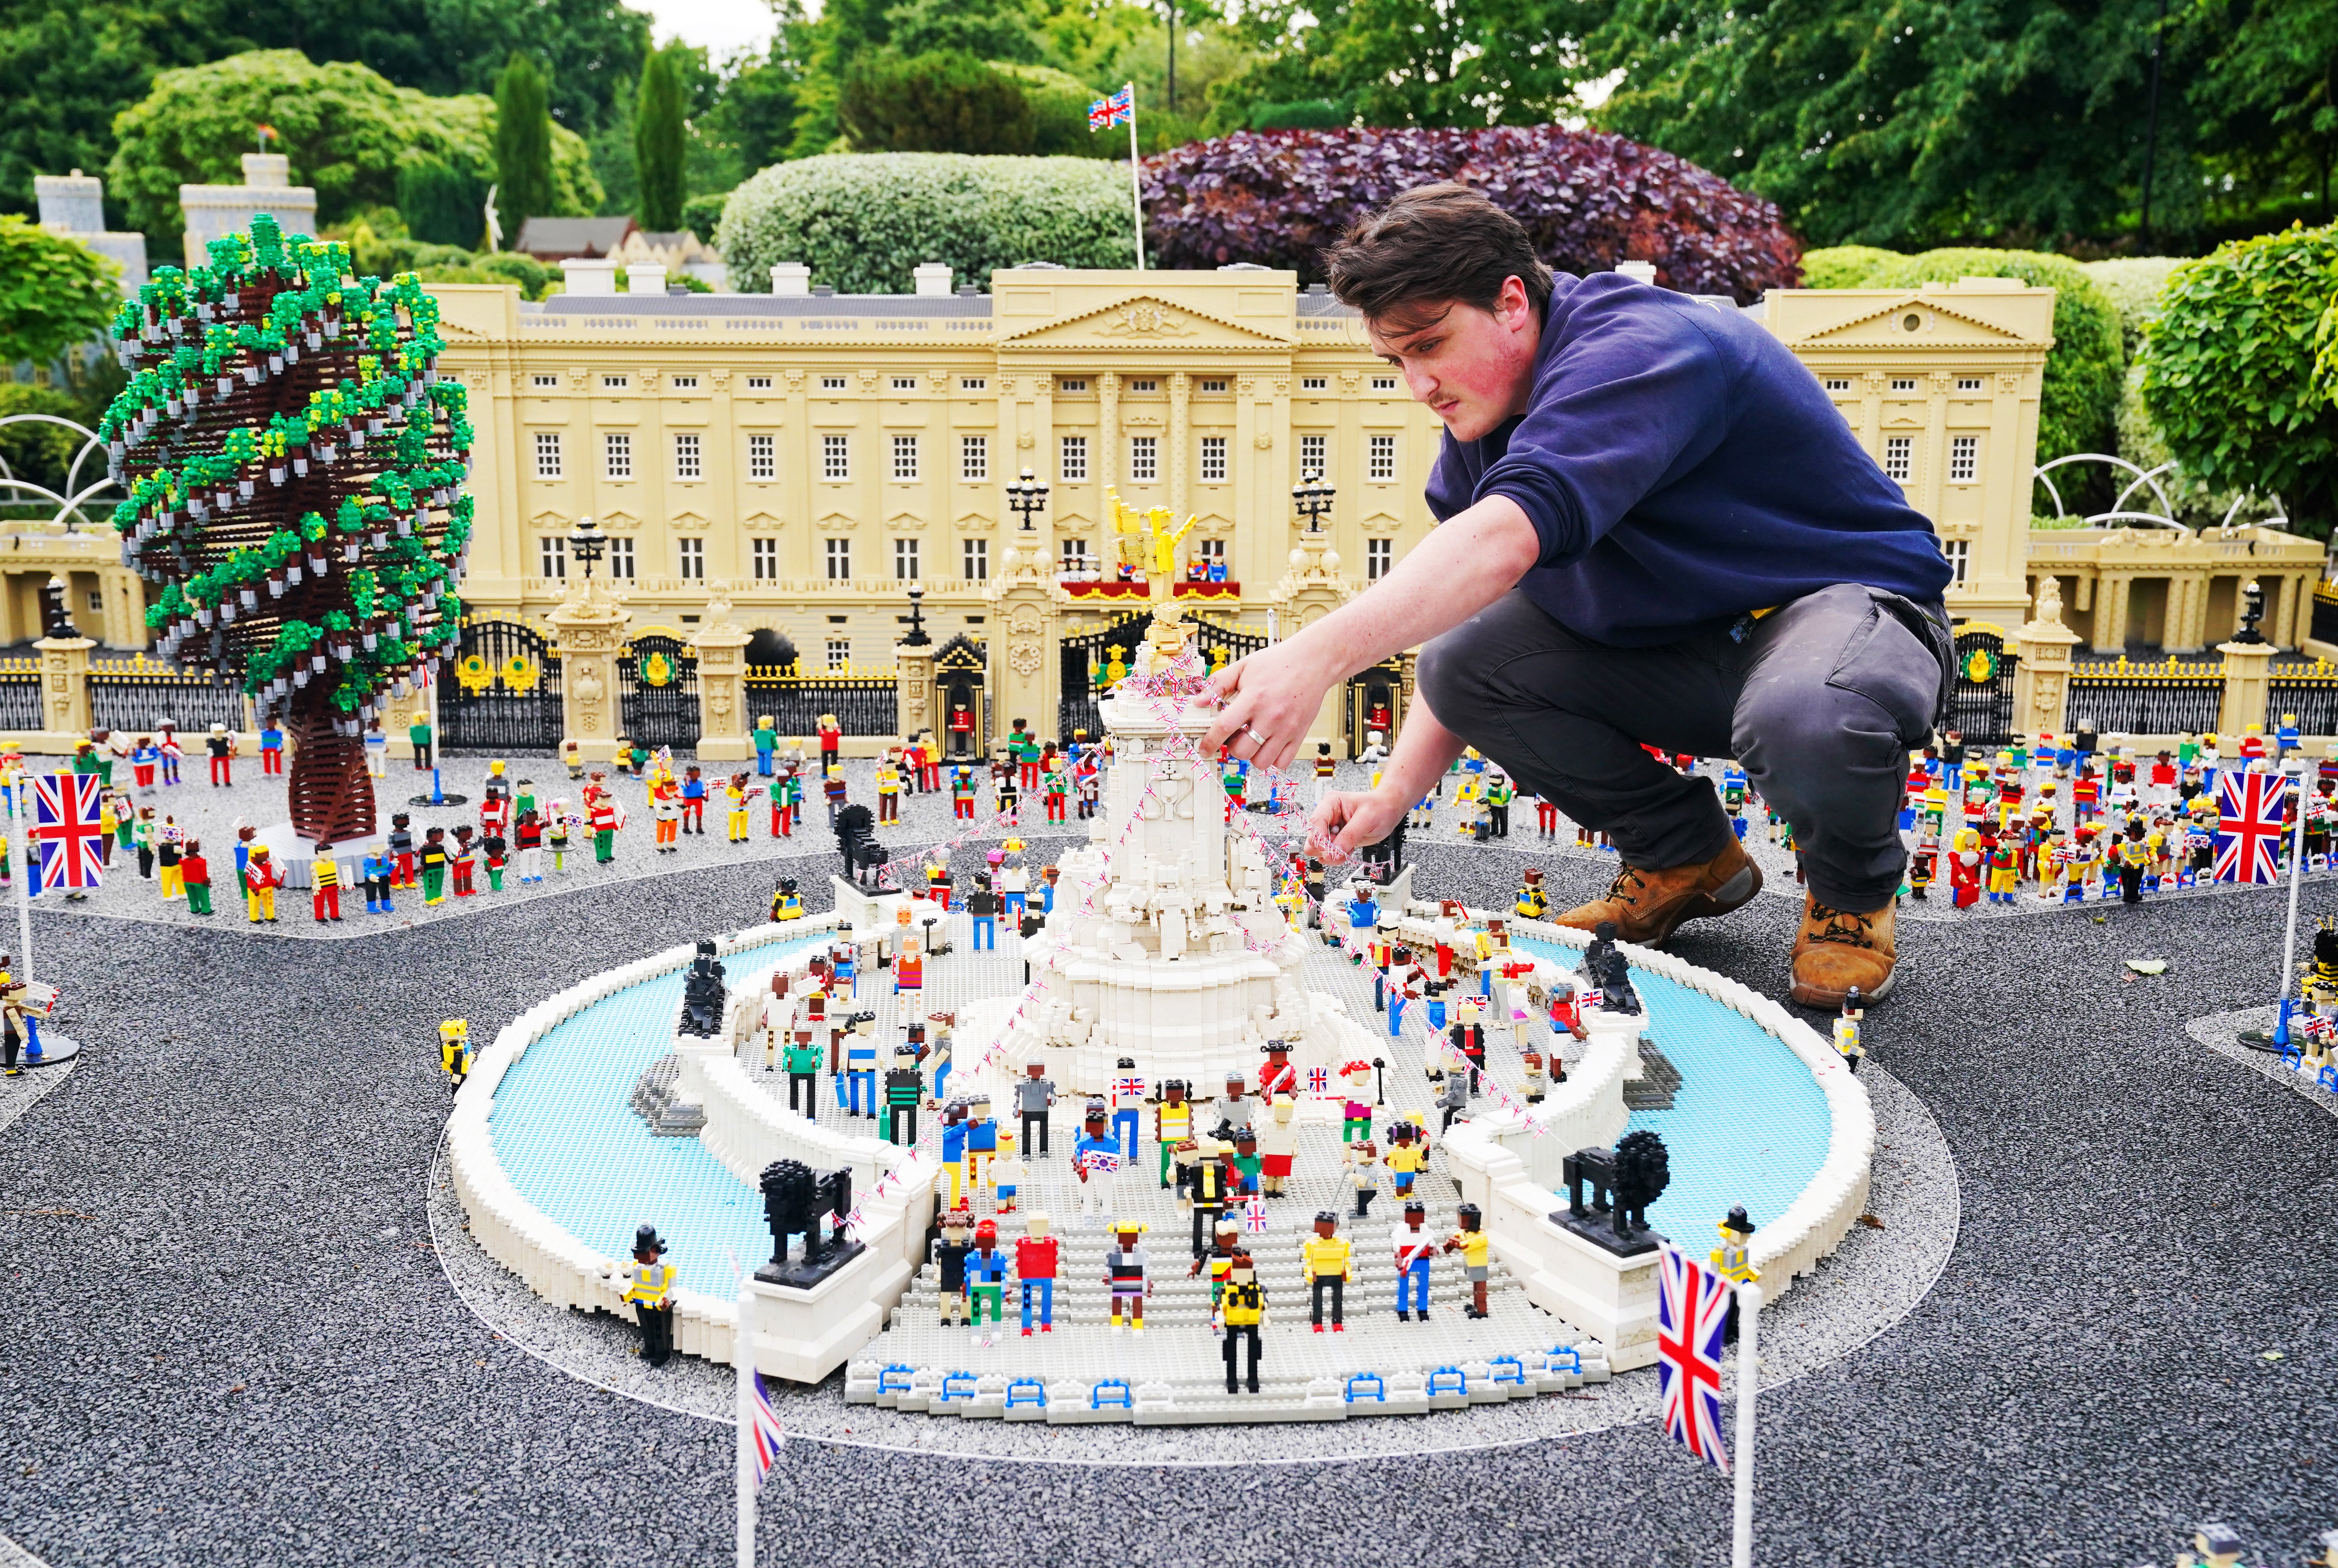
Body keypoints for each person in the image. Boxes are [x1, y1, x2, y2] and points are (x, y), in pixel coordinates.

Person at [1199, 184, 1953, 1008]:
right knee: (1464, 658)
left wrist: (1309, 660)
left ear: (1513, 300)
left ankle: (1849, 894)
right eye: (1398, 361)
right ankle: (1683, 857)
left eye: (1431, 344)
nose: (1419, 384)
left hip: (1841, 616)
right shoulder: (1481, 431)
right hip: (1699, 650)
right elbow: (1470, 611)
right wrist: (1390, 796)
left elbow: (1505, 538)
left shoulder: (1641, 346)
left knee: (1807, 709)